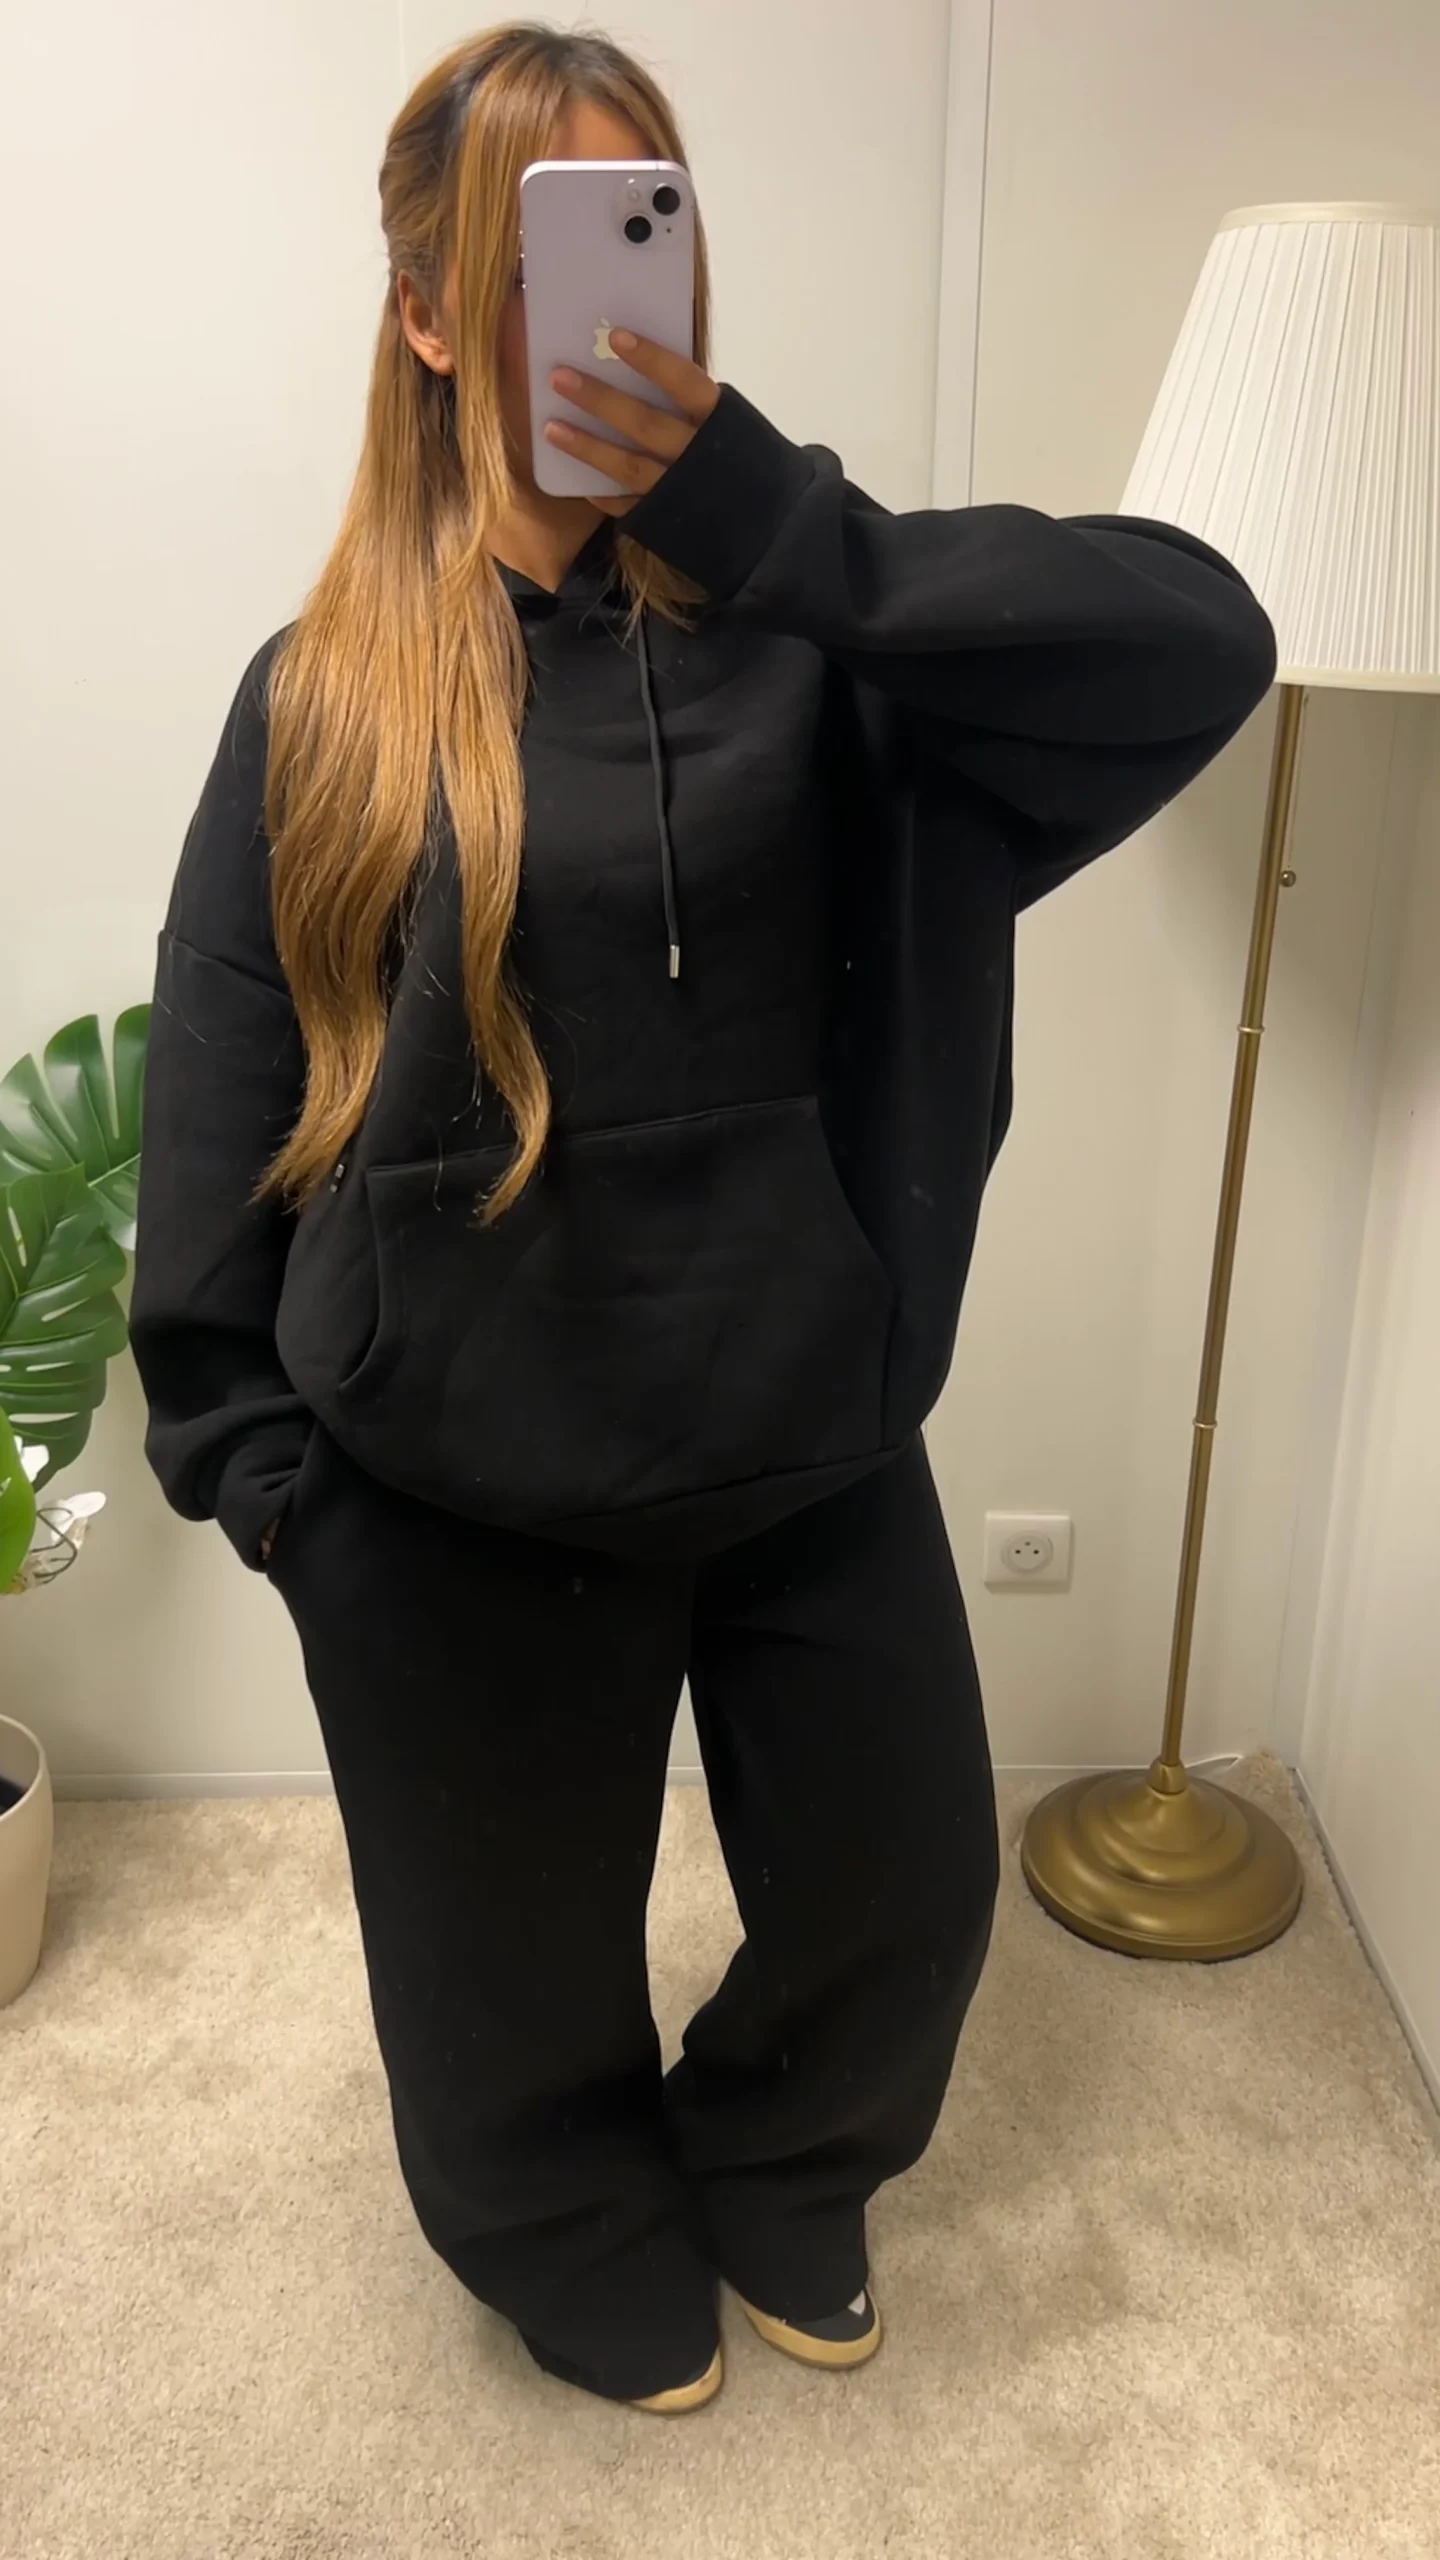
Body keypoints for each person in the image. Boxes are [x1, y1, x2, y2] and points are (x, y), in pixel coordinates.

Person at [130, 20, 1277, 2415]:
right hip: (453, 1484)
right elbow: (228, 1072)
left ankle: (780, 2156)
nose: (592, 300)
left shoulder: (827, 655)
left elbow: (1200, 641)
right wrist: (271, 1479)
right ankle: (566, 2220)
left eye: (641, 226)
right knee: (499, 1970)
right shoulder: (327, 696)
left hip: (802, 1429)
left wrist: (785, 525)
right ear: (426, 309)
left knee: (904, 1894)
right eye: (526, 250)